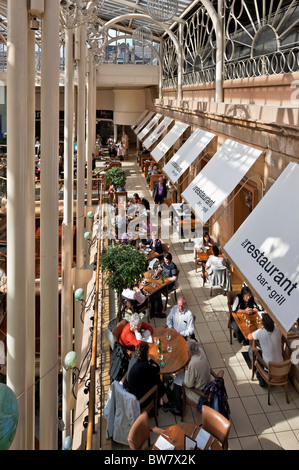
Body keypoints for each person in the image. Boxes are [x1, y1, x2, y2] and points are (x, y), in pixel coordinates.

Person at [125, 342, 180, 414]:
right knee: (157, 380)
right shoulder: (144, 365)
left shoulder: (135, 360)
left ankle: (166, 401)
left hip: (131, 388)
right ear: (146, 354)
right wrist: (150, 360)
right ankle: (166, 402)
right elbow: (157, 368)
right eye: (147, 352)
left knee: (155, 378)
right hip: (138, 394)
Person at [248, 313, 283, 387]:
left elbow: (249, 337)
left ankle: (259, 374)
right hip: (281, 366)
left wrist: (260, 329)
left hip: (268, 366)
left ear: (263, 324)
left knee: (251, 349)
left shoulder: (260, 332)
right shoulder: (278, 331)